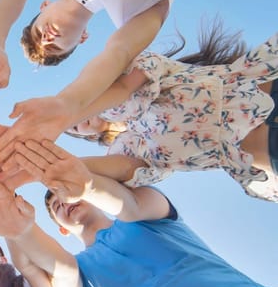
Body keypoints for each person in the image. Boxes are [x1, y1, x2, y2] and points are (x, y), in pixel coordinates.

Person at [0, 138, 278, 287]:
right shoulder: (81, 272)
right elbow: (62, 270)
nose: (62, 203)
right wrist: (20, 228)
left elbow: (127, 202)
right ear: (62, 229)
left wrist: (76, 181)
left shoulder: (145, 217)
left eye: (63, 196)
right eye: (54, 207)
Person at [0, 0, 183, 158]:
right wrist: (67, 103)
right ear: (83, 39)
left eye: (39, 33)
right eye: (54, 47)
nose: (48, 38)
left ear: (44, 5)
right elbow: (120, 52)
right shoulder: (135, 14)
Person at [61, 29, 278, 201]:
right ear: (89, 135)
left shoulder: (131, 78)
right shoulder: (125, 149)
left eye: (74, 114)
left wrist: (72, 106)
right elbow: (123, 169)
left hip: (267, 88)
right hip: (268, 148)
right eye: (75, 127)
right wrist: (53, 165)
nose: (76, 119)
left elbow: (122, 94)